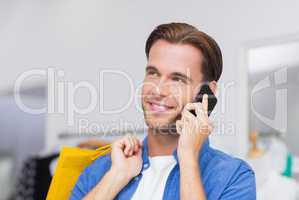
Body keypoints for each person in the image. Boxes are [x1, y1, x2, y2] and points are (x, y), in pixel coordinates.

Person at [70, 22, 256, 200]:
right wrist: (115, 177)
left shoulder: (234, 177)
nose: (157, 90)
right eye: (153, 73)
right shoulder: (101, 171)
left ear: (206, 93)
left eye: (178, 79)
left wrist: (188, 159)